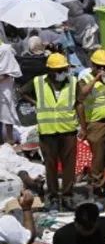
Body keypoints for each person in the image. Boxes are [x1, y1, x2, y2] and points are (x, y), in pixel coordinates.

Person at [23, 52, 79, 210]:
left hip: (68, 131)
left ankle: (67, 196)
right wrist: (36, 103)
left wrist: (84, 126)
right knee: (51, 166)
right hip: (47, 132)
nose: (61, 73)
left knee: (69, 166)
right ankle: (54, 196)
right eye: (58, 70)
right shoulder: (38, 82)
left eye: (63, 69)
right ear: (49, 71)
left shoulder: (73, 82)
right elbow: (22, 91)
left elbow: (80, 101)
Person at [77, 48, 105, 196]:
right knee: (99, 155)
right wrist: (96, 79)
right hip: (96, 123)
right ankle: (96, 184)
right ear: (92, 65)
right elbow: (81, 96)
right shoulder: (86, 79)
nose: (102, 69)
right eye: (99, 66)